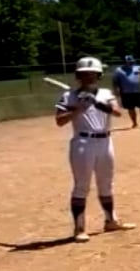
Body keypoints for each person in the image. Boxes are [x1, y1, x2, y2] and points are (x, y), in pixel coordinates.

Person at [54, 57, 134, 242]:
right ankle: (79, 228)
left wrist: (99, 104)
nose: (89, 77)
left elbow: (117, 112)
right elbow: (59, 121)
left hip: (105, 142)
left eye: (92, 74)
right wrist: (79, 109)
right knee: (82, 186)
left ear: (99, 76)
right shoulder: (69, 96)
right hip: (83, 143)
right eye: (84, 74)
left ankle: (111, 220)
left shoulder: (105, 93)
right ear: (78, 76)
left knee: (106, 183)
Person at [112, 55, 140, 127]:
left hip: (138, 91)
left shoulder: (137, 67)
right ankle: (134, 123)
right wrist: (116, 90)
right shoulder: (118, 70)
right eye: (129, 62)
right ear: (124, 62)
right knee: (131, 108)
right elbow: (115, 81)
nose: (131, 63)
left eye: (132, 61)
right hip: (126, 92)